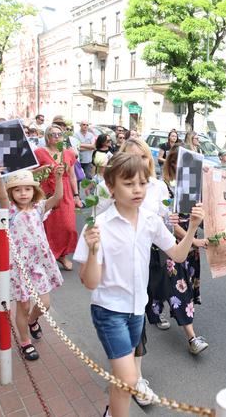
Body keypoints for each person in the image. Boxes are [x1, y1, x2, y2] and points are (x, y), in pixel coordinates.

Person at [74, 153, 203, 417]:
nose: (137, 190)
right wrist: (92, 250)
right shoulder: (98, 226)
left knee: (123, 380)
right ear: (111, 187)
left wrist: (192, 228)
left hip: (136, 311)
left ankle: (111, 412)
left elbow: (177, 255)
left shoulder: (150, 219)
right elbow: (90, 283)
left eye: (143, 183)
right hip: (109, 311)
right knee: (129, 379)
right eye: (129, 183)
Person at [93, 138, 172, 406]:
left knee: (141, 311)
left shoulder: (157, 186)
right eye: (130, 156)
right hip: (118, 260)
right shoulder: (109, 192)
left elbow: (165, 219)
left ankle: (128, 379)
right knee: (125, 316)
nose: (137, 161)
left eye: (143, 156)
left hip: (149, 257)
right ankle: (132, 379)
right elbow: (101, 217)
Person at [0, 163, 64, 361]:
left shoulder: (39, 208)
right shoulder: (10, 210)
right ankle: (24, 341)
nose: (23, 193)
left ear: (34, 191)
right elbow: (2, 197)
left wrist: (58, 178)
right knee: (23, 305)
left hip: (38, 264)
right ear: (11, 192)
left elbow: (57, 198)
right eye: (18, 190)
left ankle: (32, 320)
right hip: (19, 265)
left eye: (27, 189)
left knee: (44, 303)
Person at [155, 145, 210, 355]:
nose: (190, 169)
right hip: (172, 244)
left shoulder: (191, 186)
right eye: (187, 164)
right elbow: (168, 223)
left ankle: (157, 308)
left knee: (178, 283)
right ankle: (192, 338)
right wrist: (194, 241)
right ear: (173, 163)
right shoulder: (163, 187)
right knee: (180, 288)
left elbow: (200, 213)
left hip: (190, 242)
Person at [34, 125, 82, 270]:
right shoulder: (39, 152)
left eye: (59, 134)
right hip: (47, 191)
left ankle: (62, 254)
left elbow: (73, 176)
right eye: (52, 134)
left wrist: (76, 195)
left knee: (69, 226)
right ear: (47, 137)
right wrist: (42, 171)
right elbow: (32, 173)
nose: (56, 137)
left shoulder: (68, 153)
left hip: (66, 191)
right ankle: (52, 256)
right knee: (48, 225)